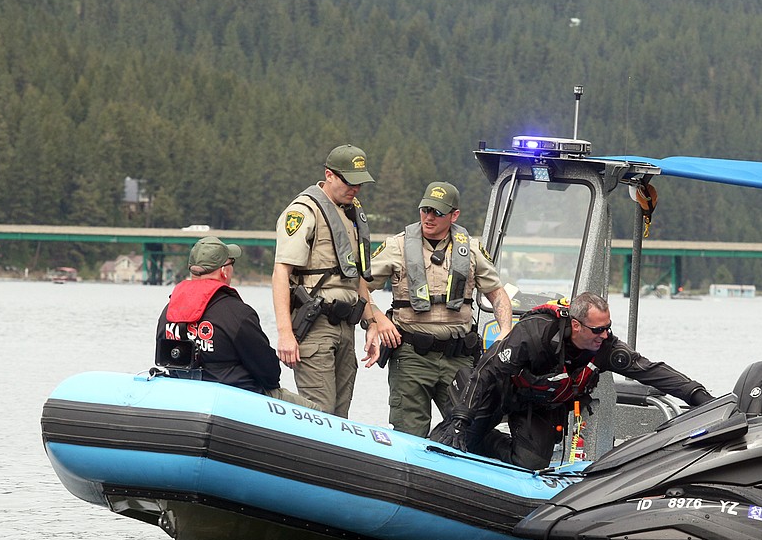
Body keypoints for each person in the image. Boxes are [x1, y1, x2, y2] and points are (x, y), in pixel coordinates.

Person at [430, 291, 714, 469]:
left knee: (531, 463)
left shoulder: (606, 348)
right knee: (455, 438)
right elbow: (486, 373)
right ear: (576, 325)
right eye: (598, 329)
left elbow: (652, 371)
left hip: (538, 405)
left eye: (608, 328)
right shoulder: (535, 333)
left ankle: (486, 441)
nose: (604, 335)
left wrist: (698, 395)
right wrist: (461, 420)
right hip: (500, 390)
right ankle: (467, 432)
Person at [360, 181, 513, 437]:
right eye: (425, 210)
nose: (429, 217)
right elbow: (359, 286)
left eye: (437, 212)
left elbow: (497, 294)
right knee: (409, 433)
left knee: (468, 431)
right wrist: (376, 320)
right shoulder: (397, 246)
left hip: (459, 357)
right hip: (411, 357)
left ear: (454, 215)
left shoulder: (472, 250)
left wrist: (505, 330)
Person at [272, 144, 375, 417]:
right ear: (329, 175)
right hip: (315, 325)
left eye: (360, 183)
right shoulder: (304, 211)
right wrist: (284, 333)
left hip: (346, 326)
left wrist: (372, 322)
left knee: (340, 415)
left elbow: (357, 276)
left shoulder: (352, 213)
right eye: (349, 182)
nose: (355, 189)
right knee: (320, 414)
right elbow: (281, 272)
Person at [157, 235, 318, 408]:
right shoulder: (237, 313)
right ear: (224, 271)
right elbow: (269, 374)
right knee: (316, 411)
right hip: (235, 401)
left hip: (184, 396)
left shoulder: (168, 310)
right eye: (231, 263)